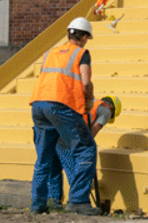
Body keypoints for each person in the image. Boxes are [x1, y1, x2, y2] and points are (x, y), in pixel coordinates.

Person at [29, 17, 101, 216]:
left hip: (38, 104)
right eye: (87, 37)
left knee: (43, 158)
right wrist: (89, 100)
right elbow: (85, 83)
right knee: (86, 148)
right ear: (84, 36)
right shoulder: (81, 53)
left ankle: (37, 205)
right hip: (60, 105)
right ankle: (78, 200)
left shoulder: (51, 52)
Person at [47, 96, 122, 209]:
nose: (109, 117)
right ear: (111, 106)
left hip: (54, 129)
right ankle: (77, 203)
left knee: (54, 169)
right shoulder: (105, 110)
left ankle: (53, 202)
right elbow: (94, 129)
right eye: (112, 115)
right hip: (69, 136)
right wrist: (86, 146)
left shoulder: (90, 101)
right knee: (74, 170)